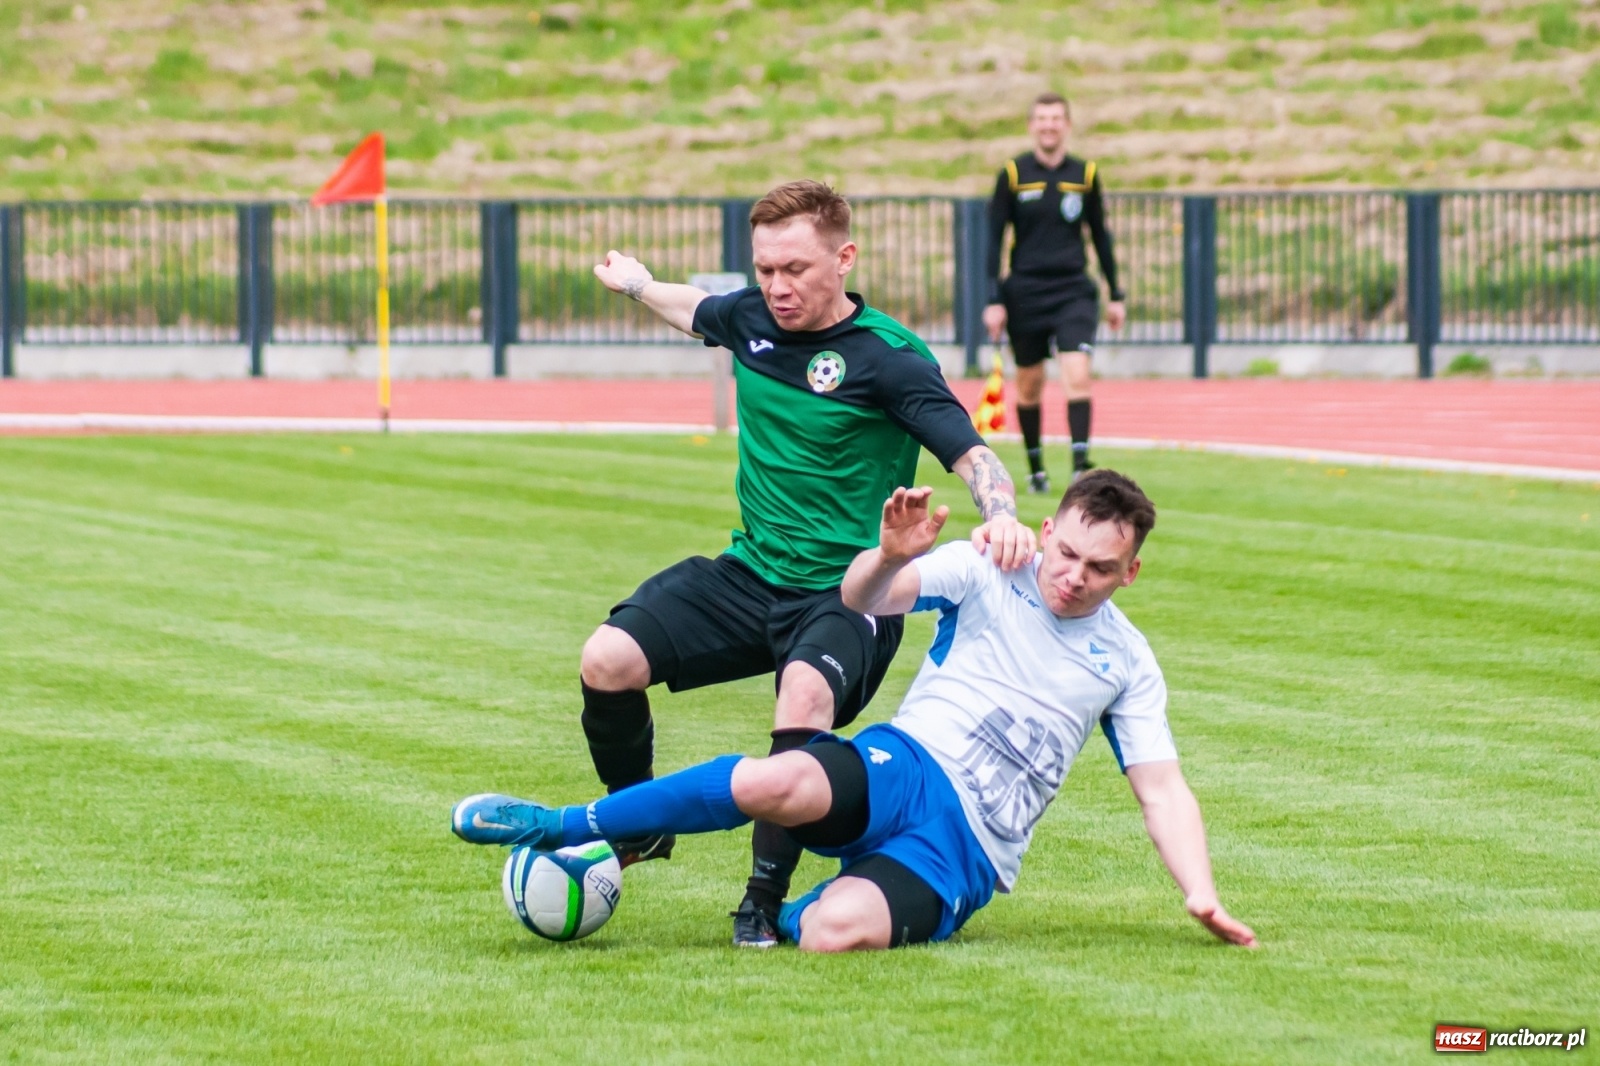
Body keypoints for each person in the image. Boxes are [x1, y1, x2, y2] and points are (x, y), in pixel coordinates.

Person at [515, 180, 1036, 948]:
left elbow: (972, 451)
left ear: (843, 257)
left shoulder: (889, 360)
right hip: (749, 573)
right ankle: (639, 823)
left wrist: (1003, 515)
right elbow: (694, 307)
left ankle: (760, 899)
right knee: (607, 659)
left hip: (850, 594)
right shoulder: (752, 318)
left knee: (802, 697)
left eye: (794, 268)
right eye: (763, 269)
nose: (776, 287)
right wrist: (636, 285)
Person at [452, 471, 1257, 953]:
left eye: (1100, 568)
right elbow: (863, 597)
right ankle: (563, 827)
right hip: (902, 766)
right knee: (784, 780)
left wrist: (1200, 892)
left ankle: (790, 911)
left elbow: (1162, 790)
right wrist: (889, 555)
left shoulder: (1129, 662)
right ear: (1047, 531)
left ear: (1131, 573)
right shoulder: (985, 569)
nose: (1074, 576)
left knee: (835, 931)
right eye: (1068, 552)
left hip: (963, 853)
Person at [983, 92, 1126, 493]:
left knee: (1077, 372)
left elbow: (1100, 235)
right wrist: (993, 299)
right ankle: (1036, 470)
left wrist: (1116, 293)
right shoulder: (1013, 175)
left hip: (1073, 290)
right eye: (1042, 118)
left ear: (1067, 124)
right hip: (1025, 291)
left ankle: (1080, 467)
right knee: (1028, 384)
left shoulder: (1085, 174)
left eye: (1056, 118)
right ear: (1032, 125)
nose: (1049, 125)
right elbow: (993, 241)